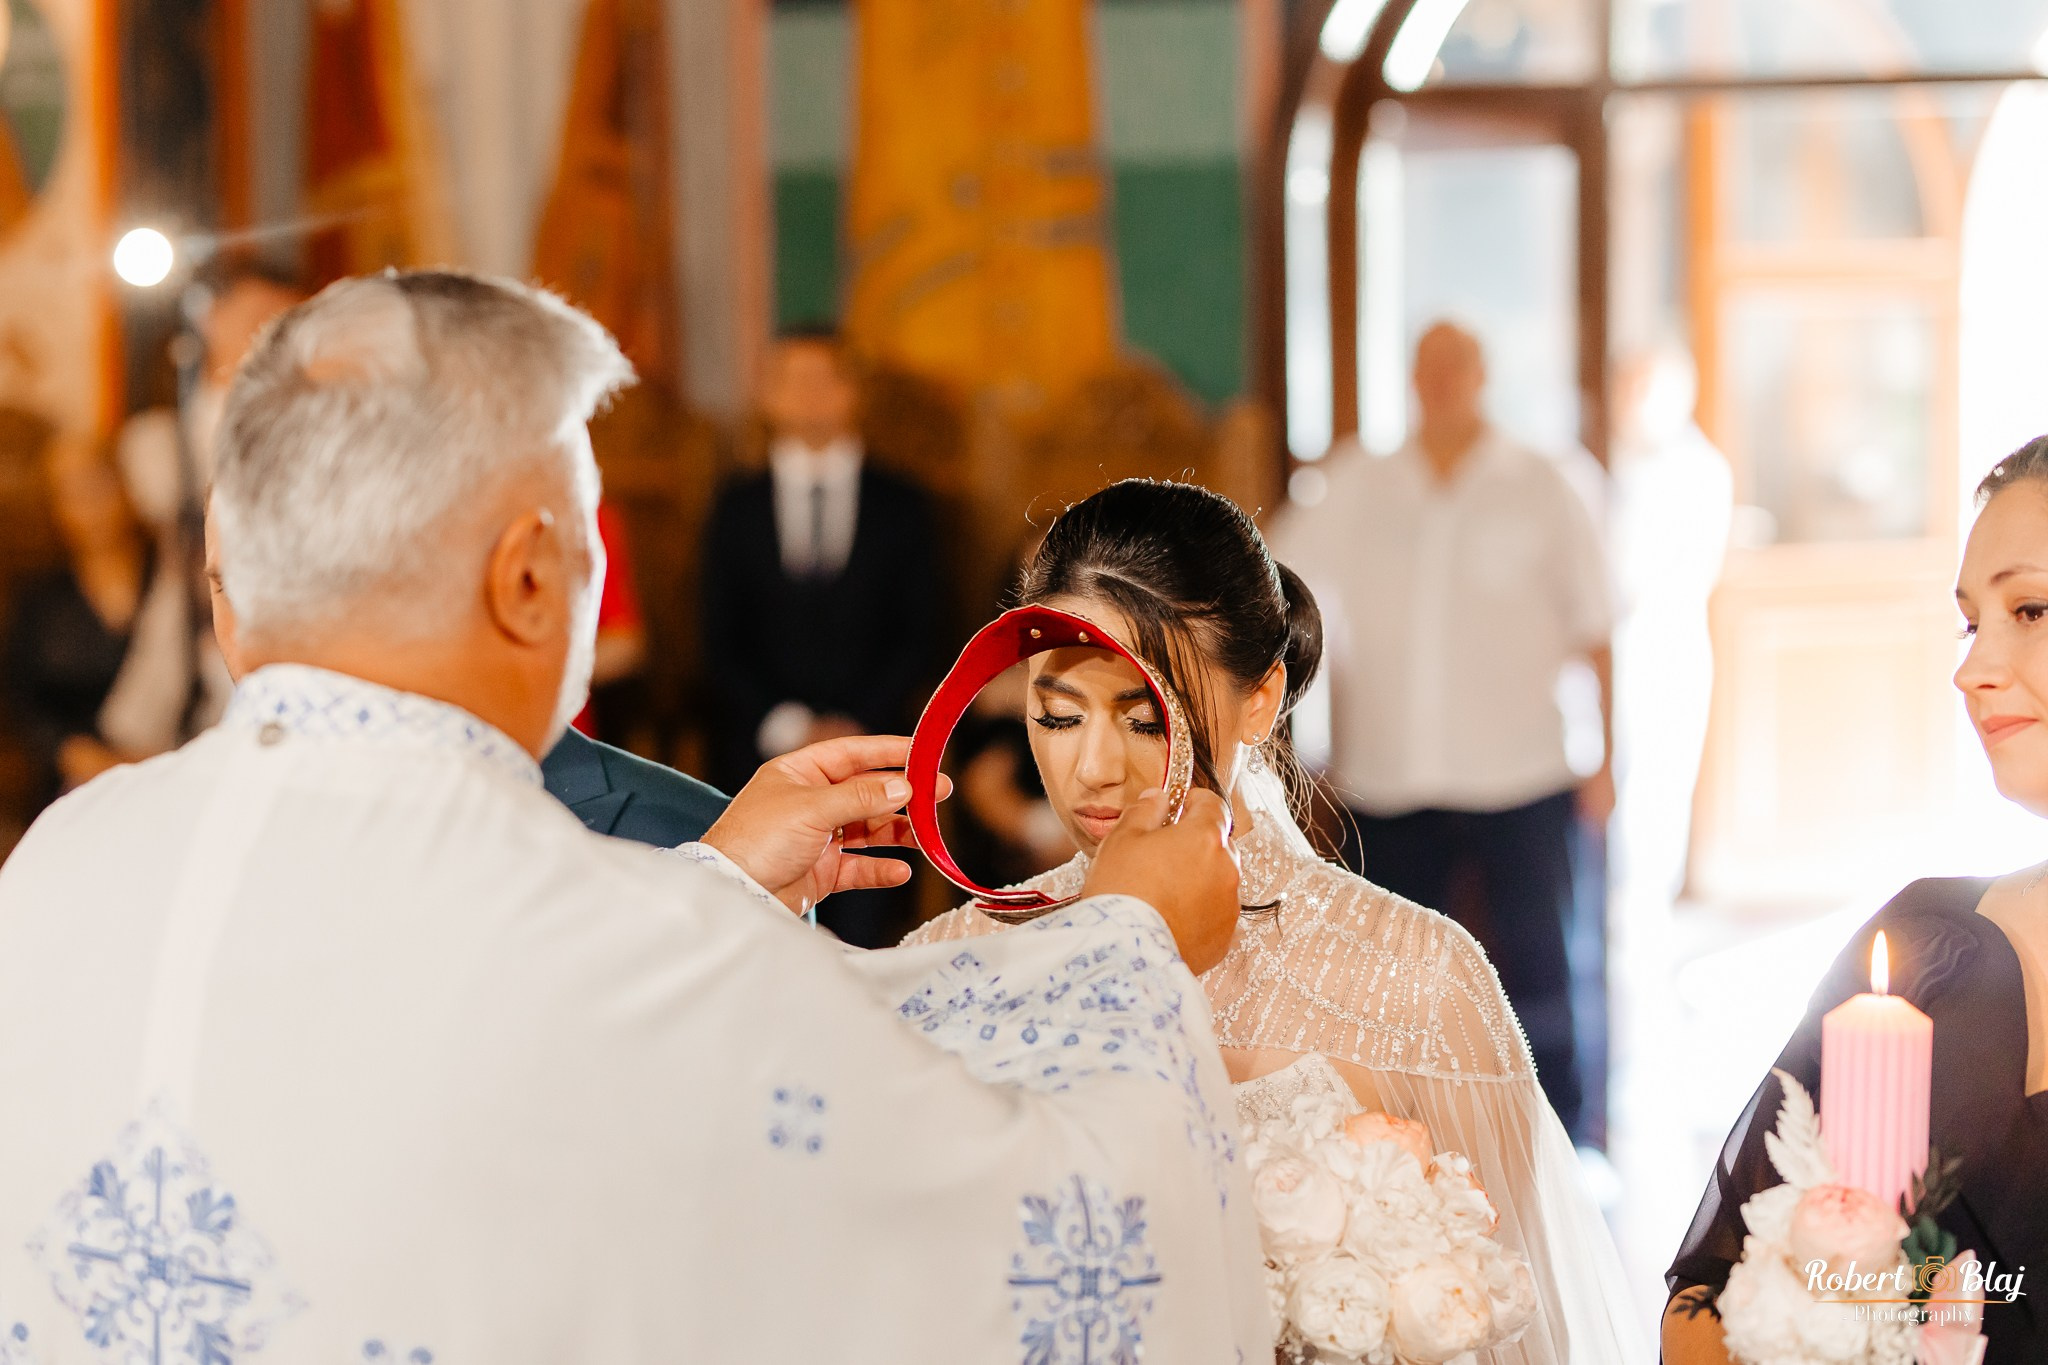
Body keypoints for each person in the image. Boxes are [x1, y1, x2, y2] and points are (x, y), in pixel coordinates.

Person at [0, 272, 1270, 1362]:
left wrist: (714, 878)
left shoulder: (64, 862)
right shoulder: (634, 950)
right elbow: (1053, 1244)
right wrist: (1128, 945)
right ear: (530, 579)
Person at [907, 479, 1648, 1364]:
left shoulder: (1415, 976)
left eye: (1143, 717)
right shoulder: (955, 960)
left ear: (1261, 698)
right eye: (1056, 713)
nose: (1093, 768)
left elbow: (1505, 1317)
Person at [1664, 436, 2048, 1365]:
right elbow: (1709, 1301)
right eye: (1970, 621)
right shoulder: (1927, 950)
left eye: (2030, 608)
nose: (1974, 668)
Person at [1274, 320, 1615, 1141]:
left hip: (1521, 771)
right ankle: (1401, 1131)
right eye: (1426, 366)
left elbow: (1598, 629)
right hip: (1388, 778)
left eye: (1455, 365)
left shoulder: (1544, 482)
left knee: (1543, 965)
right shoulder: (1358, 480)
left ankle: (1564, 1132)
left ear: (1481, 374)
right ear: (1411, 377)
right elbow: (1278, 583)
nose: (1441, 381)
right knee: (1391, 976)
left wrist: (1609, 762)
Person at [699, 324, 941, 946]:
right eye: (790, 380)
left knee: (864, 917)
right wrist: (788, 724)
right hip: (757, 747)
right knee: (755, 931)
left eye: (823, 379)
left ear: (852, 391)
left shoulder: (906, 504)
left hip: (874, 743)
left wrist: (855, 726)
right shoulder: (735, 504)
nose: (807, 396)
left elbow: (922, 633)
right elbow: (718, 636)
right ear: (767, 395)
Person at [1607, 343, 1731, 928]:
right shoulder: (1618, 464)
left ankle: (1644, 914)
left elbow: (1656, 573)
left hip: (1664, 647)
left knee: (1657, 785)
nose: (1627, 402)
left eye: (1640, 388)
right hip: (1624, 649)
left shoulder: (1697, 472)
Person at [2, 439, 155, 811]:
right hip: (72, 789)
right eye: (72, 493)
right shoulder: (39, 597)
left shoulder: (172, 580)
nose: (91, 506)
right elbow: (18, 697)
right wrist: (68, 751)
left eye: (98, 485)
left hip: (165, 766)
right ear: (54, 507)